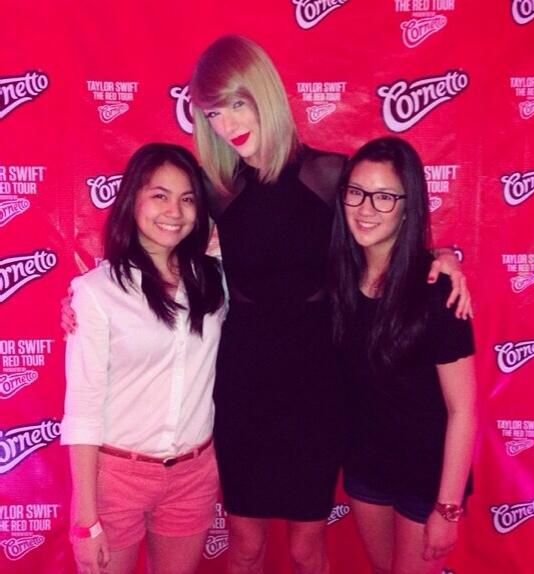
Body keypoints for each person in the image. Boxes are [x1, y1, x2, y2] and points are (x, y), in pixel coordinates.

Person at [188, 36, 471, 574]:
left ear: (264, 93)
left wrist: (443, 255)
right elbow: (157, 246)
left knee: (305, 550)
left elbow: (385, 226)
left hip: (316, 387)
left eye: (238, 104)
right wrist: (85, 295)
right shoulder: (216, 190)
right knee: (244, 547)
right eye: (214, 113)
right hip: (243, 387)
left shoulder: (328, 175)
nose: (227, 125)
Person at [60, 143, 226, 574]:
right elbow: (83, 409)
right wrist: (85, 519)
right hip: (117, 477)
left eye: (187, 199)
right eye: (159, 195)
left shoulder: (215, 280)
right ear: (132, 200)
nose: (174, 211)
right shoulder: (96, 293)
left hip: (193, 473)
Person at [329, 136, 477, 574]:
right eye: (356, 192)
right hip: (366, 467)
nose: (366, 208)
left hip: (427, 477)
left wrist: (447, 507)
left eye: (384, 197)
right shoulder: (338, 278)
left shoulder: (436, 290)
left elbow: (463, 408)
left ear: (409, 207)